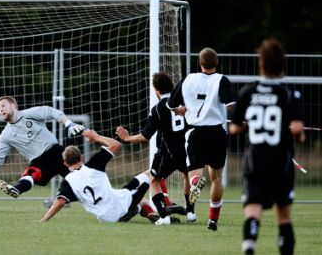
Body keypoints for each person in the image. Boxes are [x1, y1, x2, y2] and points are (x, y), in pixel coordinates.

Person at [229, 38, 304, 255]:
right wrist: (295, 135)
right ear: (283, 64)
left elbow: (234, 129)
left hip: (255, 161)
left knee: (253, 212)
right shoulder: (290, 94)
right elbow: (297, 128)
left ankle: (250, 248)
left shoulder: (247, 92)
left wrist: (249, 126)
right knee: (284, 217)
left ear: (260, 63)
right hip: (281, 162)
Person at [40, 129, 180, 224]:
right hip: (119, 206)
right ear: (81, 157)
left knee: (140, 201)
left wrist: (44, 220)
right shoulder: (93, 165)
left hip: (106, 218)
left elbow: (59, 203)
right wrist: (96, 137)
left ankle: (145, 212)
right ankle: (164, 204)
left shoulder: (68, 182)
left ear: (65, 163)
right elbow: (116, 144)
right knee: (153, 171)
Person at [167, 47, 235, 231]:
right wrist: (241, 121)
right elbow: (232, 107)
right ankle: (213, 219)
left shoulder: (189, 79)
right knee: (217, 178)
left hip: (195, 132)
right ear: (217, 62)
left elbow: (171, 104)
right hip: (217, 133)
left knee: (195, 175)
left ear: (200, 63)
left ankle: (196, 182)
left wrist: (179, 110)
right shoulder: (221, 80)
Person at [116, 71, 196, 225]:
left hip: (167, 152)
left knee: (154, 180)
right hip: (186, 149)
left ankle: (164, 217)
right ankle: (191, 211)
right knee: (187, 176)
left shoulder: (158, 108)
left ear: (157, 90)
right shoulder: (184, 103)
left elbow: (145, 136)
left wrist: (126, 138)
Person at [0, 96, 85, 199]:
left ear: (13, 106)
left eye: (3, 106)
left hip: (57, 153)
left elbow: (49, 111)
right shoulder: (5, 136)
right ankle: (16, 189)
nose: (0, 110)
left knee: (81, 181)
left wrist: (68, 123)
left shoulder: (29, 114)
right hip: (39, 163)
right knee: (31, 173)